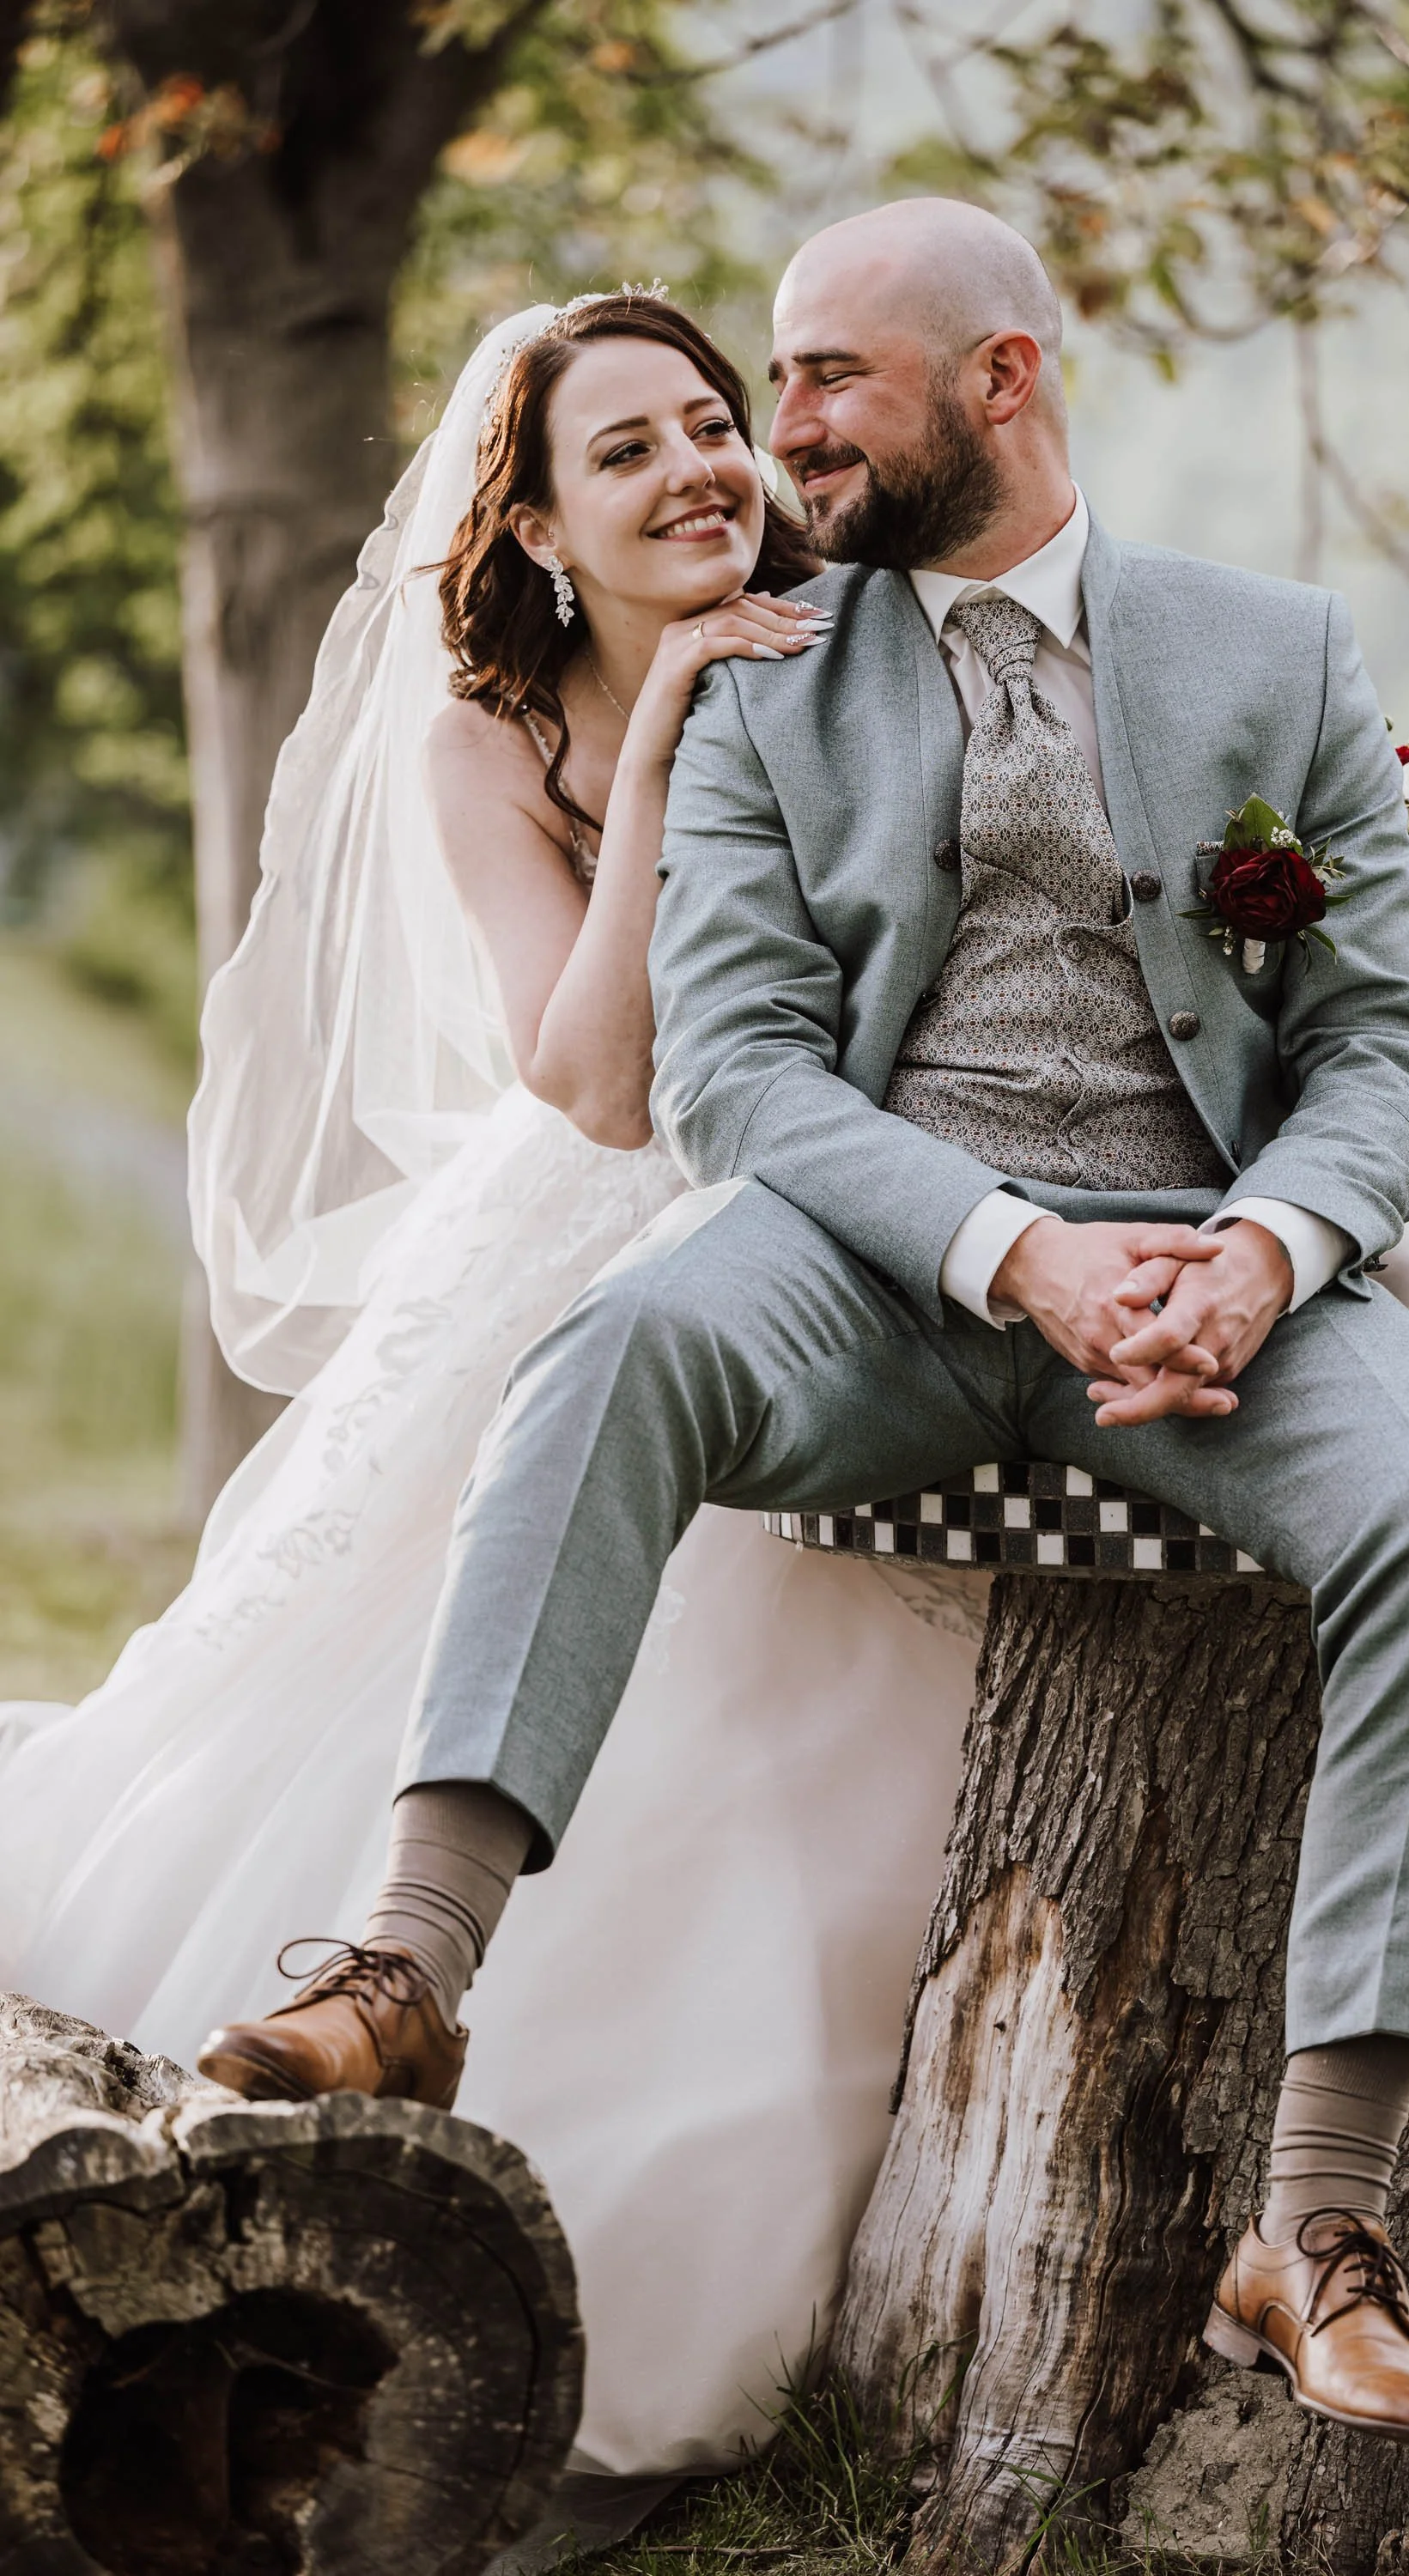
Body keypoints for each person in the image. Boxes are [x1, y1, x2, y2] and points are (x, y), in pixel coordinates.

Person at [207, 197, 1409, 2463]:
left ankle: (1313, 2229)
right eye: (772, 381)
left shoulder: (1269, 652)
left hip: (1226, 1269)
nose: (782, 423)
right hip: (888, 1269)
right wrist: (1016, 1250)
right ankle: (407, 1966)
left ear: (1002, 381)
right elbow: (729, 1071)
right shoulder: (754, 672)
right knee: (613, 1351)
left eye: (825, 377)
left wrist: (1265, 1253)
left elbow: (1392, 1054)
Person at [0, 292, 982, 2494]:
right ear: (534, 518)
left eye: (714, 425)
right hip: (608, 1200)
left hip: (847, 1200)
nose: (696, 472)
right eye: (623, 451)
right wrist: (649, 760)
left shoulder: (869, 644)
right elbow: (590, 1081)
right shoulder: (492, 737)